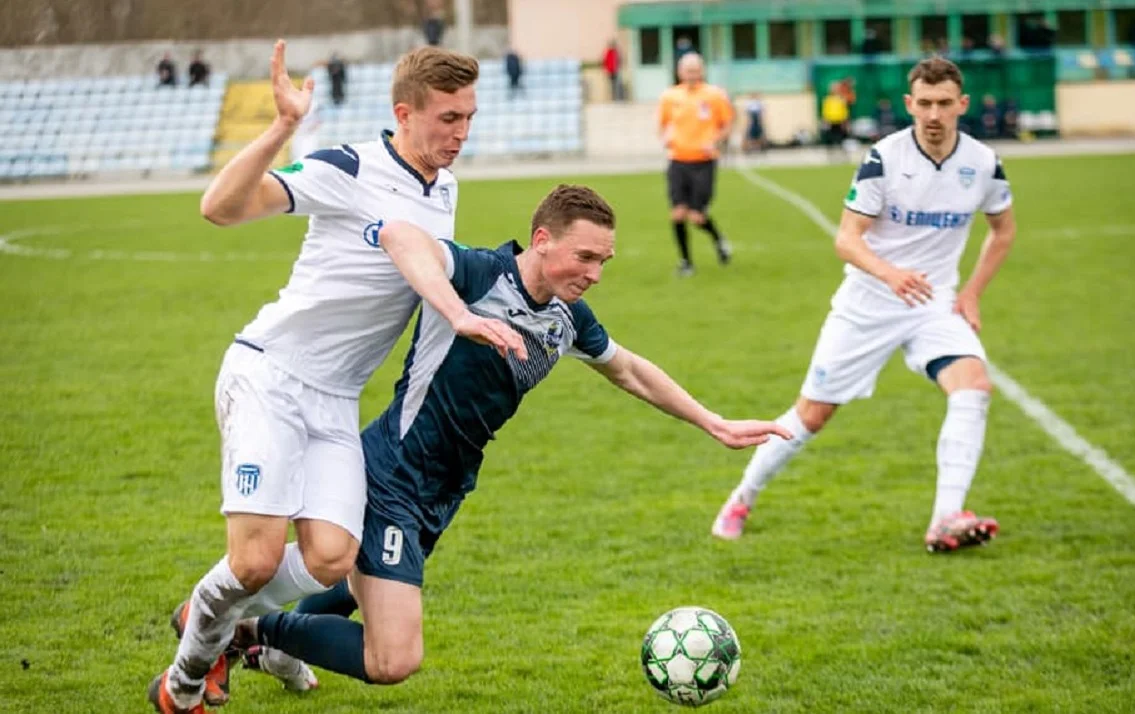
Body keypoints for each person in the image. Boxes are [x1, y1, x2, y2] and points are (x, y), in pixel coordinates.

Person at [227, 184, 790, 692]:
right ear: (542, 240)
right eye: (585, 257)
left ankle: (276, 644)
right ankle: (247, 630)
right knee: (393, 657)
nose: (594, 273)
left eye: (604, 261)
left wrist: (712, 421)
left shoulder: (568, 317)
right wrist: (456, 312)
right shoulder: (478, 274)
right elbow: (404, 238)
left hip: (447, 483)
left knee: (361, 582)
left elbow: (629, 369)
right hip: (396, 468)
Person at [146, 41, 481, 714]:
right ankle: (183, 683)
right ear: (405, 113)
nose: (461, 133)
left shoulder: (444, 187)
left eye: (469, 117)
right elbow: (221, 207)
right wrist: (282, 128)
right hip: (270, 375)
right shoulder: (348, 165)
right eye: (448, 118)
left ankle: (225, 623)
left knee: (331, 557)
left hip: (335, 398)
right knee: (254, 562)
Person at [712, 57, 1018, 554]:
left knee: (974, 387)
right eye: (924, 103)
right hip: (868, 304)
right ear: (908, 105)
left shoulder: (982, 163)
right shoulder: (884, 157)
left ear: (962, 104)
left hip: (934, 305)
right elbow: (847, 239)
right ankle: (742, 496)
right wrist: (891, 274)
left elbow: (1003, 230)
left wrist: (972, 292)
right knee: (811, 415)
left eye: (944, 103)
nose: (934, 114)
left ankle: (945, 518)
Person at [657, 52, 734, 277]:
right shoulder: (670, 96)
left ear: (702, 71)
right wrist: (665, 137)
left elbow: (727, 122)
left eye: (695, 70)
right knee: (678, 214)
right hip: (678, 160)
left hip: (704, 162)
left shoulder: (714, 95)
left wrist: (716, 140)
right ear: (680, 72)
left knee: (697, 216)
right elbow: (663, 125)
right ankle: (686, 262)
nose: (691, 74)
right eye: (687, 70)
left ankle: (719, 240)